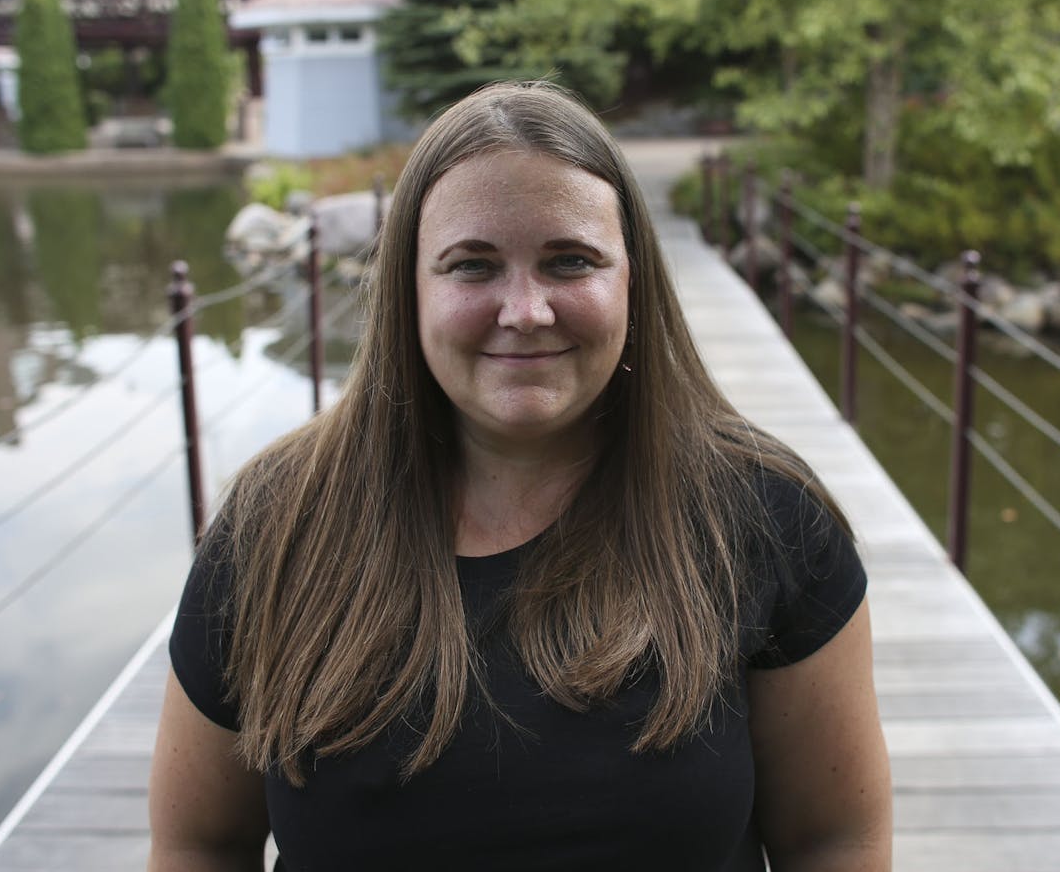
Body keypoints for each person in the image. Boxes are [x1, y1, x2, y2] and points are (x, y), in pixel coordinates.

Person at [148, 81, 891, 871]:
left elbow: (833, 839)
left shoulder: (768, 517)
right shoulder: (276, 526)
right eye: (473, 266)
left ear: (632, 281)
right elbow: (200, 843)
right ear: (408, 289)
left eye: (570, 260)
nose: (526, 310)